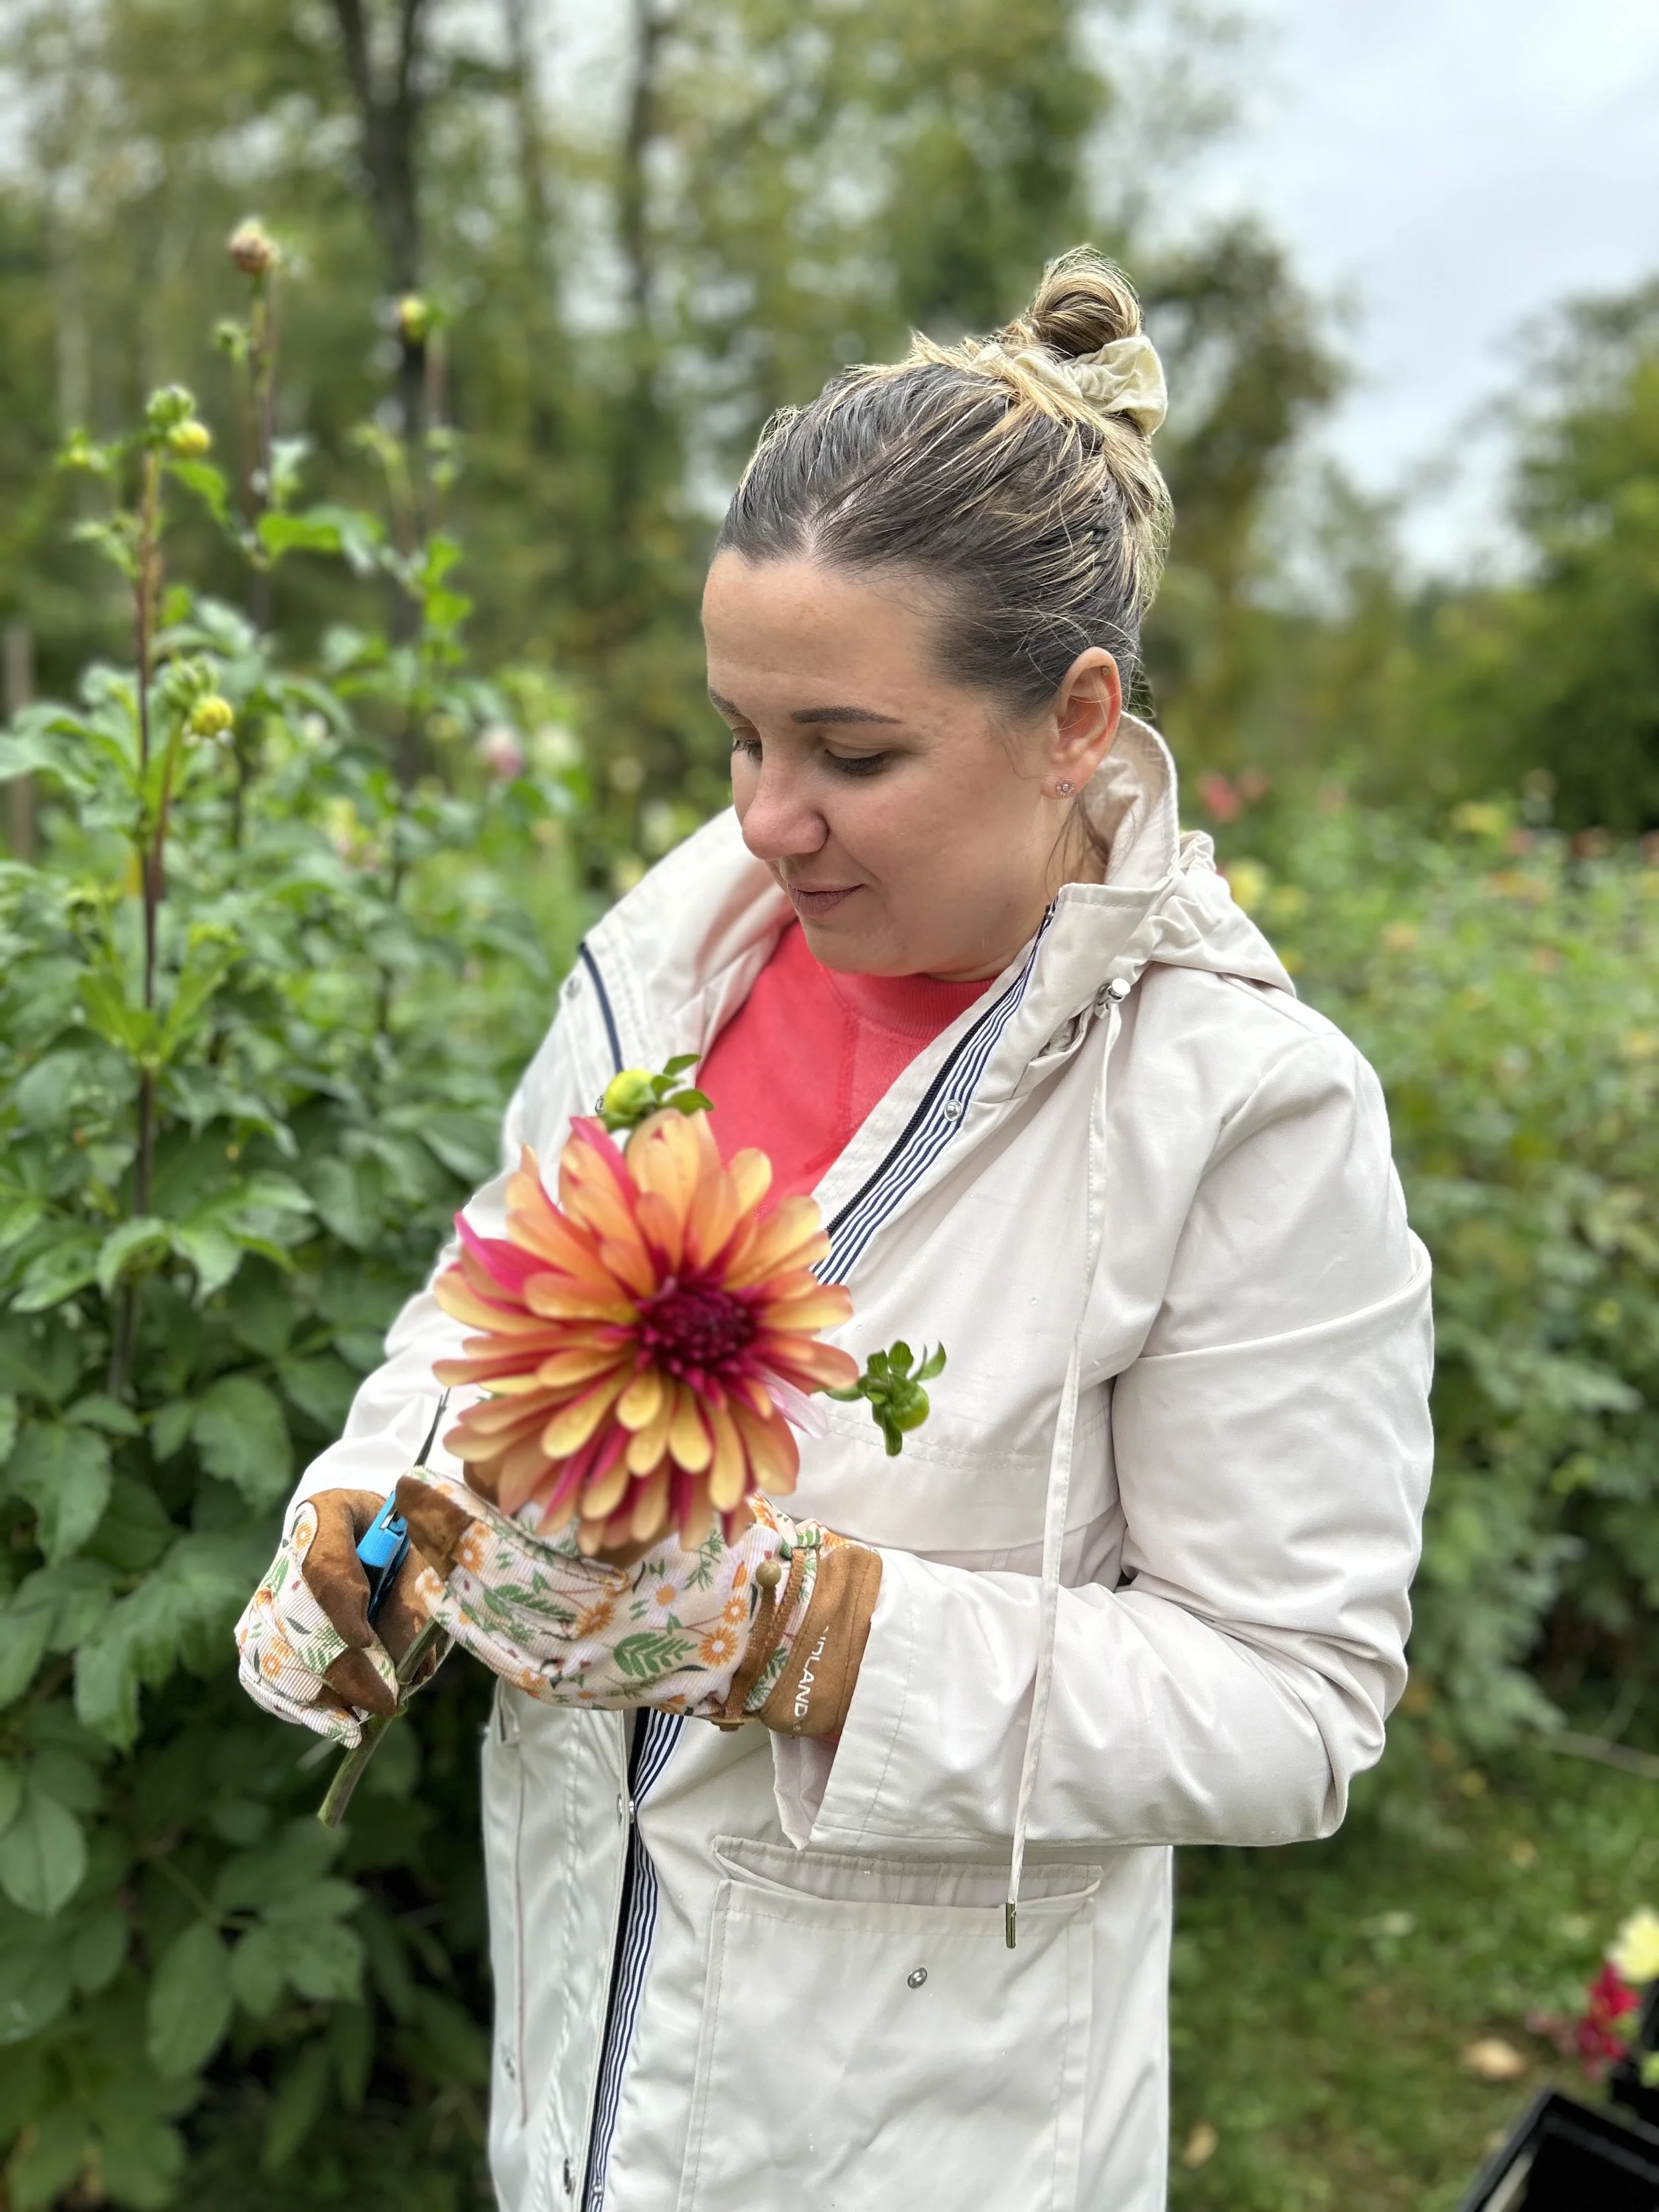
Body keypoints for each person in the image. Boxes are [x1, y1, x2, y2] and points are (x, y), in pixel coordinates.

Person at [236, 248, 1433, 2212]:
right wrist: (382, 1512)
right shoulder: (666, 963)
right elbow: (488, 1296)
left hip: (915, 2130)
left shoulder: (1238, 1111)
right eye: (740, 733)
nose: (766, 819)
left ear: (1073, 718)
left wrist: (807, 1636)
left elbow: (1295, 1701)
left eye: (848, 752)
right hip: (580, 2072)